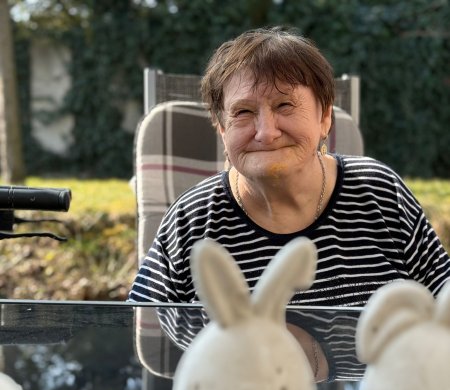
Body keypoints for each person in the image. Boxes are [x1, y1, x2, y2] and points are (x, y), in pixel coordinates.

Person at [128, 26, 450, 307]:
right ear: (222, 129)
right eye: (243, 112)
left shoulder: (381, 192)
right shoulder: (192, 219)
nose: (266, 132)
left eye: (284, 105)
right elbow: (136, 328)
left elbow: (444, 298)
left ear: (325, 117)